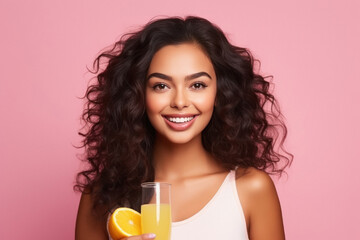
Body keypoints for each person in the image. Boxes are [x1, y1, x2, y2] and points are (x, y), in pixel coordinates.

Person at [75, 16, 292, 240]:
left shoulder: (251, 189)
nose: (179, 102)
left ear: (221, 92)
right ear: (137, 95)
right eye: (161, 86)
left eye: (197, 85)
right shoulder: (101, 197)